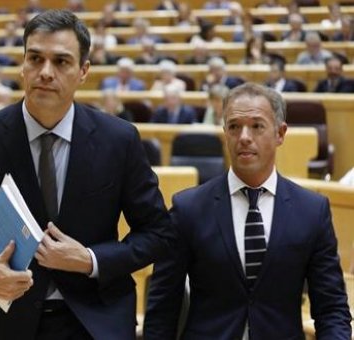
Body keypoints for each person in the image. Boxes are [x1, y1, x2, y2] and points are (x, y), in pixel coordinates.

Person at [0, 9, 175, 339]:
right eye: (35, 58)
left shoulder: (119, 140)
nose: (45, 72)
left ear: (83, 71)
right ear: (22, 64)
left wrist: (90, 259)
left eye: (61, 62)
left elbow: (158, 233)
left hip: (97, 322)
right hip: (9, 325)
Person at [144, 83, 352, 339]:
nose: (244, 136)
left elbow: (331, 309)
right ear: (224, 133)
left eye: (257, 126)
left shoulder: (312, 210)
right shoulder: (188, 209)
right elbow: (162, 308)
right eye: (234, 126)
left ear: (280, 133)